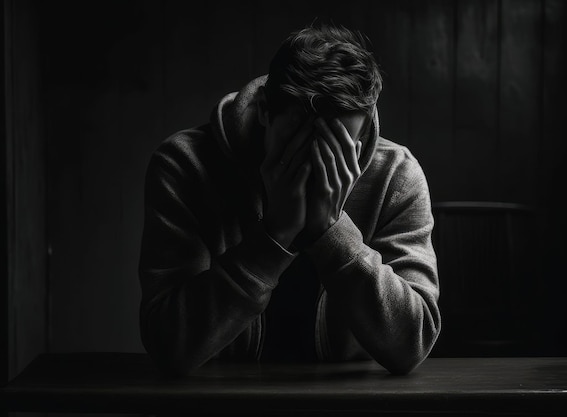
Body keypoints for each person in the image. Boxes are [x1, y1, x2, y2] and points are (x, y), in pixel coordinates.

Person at [138, 24, 440, 376]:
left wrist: (332, 231)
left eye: (336, 148)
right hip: (217, 399)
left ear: (364, 130)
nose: (314, 166)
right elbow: (167, 344)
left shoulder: (396, 175)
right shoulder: (185, 165)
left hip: (354, 402)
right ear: (265, 110)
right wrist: (273, 236)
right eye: (298, 141)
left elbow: (411, 344)